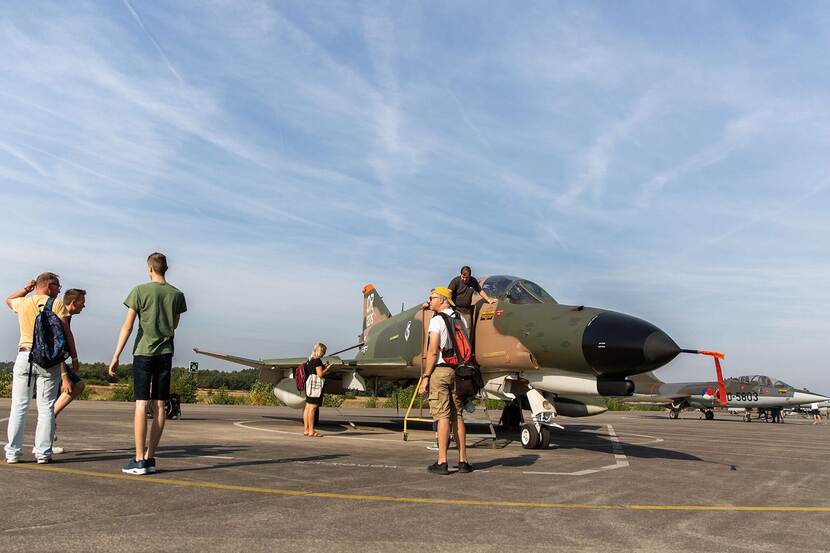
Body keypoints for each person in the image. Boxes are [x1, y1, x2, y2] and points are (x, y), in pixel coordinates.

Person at [108, 253, 187, 475]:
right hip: (165, 353)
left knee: (141, 404)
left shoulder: (140, 291)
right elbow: (175, 324)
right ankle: (151, 457)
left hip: (143, 352)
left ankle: (139, 458)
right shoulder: (177, 295)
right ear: (165, 269)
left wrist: (116, 355)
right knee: (160, 405)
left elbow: (128, 326)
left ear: (150, 268)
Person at [5, 273, 79, 464]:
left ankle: (13, 453)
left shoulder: (24, 303)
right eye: (57, 287)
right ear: (48, 286)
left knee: (19, 407)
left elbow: (9, 300)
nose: (59, 291)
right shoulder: (56, 305)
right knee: (45, 407)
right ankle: (43, 453)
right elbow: (66, 332)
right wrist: (75, 357)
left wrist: (26, 289)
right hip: (49, 361)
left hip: (25, 355)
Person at [418, 286, 473, 475]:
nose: (429, 300)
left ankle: (442, 462)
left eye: (432, 297)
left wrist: (426, 377)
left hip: (440, 372)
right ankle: (463, 461)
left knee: (442, 416)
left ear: (442, 299)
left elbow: (433, 351)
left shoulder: (436, 321)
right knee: (458, 415)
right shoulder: (461, 320)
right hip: (458, 372)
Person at [303, 342, 332, 437]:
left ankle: (306, 430)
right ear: (321, 351)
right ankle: (312, 431)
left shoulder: (310, 360)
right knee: (313, 407)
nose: (324, 354)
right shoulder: (318, 361)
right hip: (315, 387)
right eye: (324, 352)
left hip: (309, 386)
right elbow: (320, 374)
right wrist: (327, 369)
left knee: (307, 407)